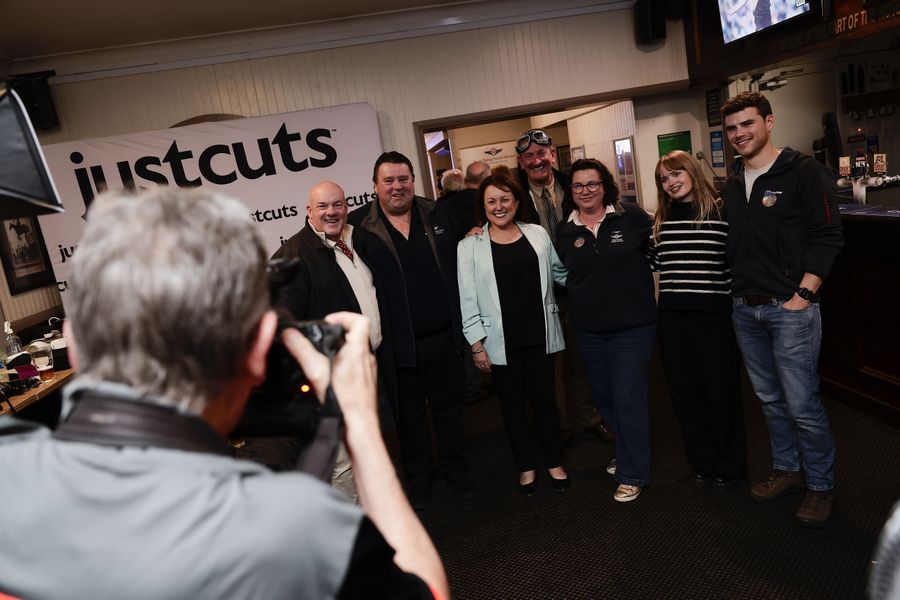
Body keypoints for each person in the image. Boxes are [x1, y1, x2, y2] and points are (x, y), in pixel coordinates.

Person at [0, 187, 448, 600]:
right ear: (256, 350)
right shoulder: (290, 529)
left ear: (73, 343)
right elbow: (427, 588)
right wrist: (360, 428)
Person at [721, 91, 843, 527]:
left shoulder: (804, 172)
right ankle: (788, 470)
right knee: (770, 400)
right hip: (745, 312)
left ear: (769, 122)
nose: (740, 134)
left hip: (789, 310)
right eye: (732, 128)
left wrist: (803, 296)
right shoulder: (733, 182)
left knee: (802, 404)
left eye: (747, 124)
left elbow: (828, 236)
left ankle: (821, 486)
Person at [349, 151, 473, 510]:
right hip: (398, 345)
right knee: (410, 417)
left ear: (413, 181)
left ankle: (455, 469)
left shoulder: (438, 213)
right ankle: (418, 477)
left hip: (445, 338)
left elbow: (466, 249)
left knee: (450, 411)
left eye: (403, 179)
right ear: (375, 186)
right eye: (388, 180)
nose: (397, 187)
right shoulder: (360, 227)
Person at [268, 180, 391, 502]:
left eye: (337, 204)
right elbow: (286, 329)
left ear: (347, 206)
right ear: (308, 211)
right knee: (342, 462)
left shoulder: (357, 239)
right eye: (323, 206)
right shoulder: (293, 256)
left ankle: (372, 513)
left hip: (364, 366)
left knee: (365, 449)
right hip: (331, 377)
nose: (331, 212)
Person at [457, 174, 569, 494]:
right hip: (499, 341)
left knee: (546, 402)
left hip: (541, 333)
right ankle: (525, 467)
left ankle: (554, 462)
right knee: (512, 406)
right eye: (491, 201)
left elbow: (559, 272)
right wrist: (476, 345)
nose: (499, 206)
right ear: (483, 207)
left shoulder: (537, 234)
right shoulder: (469, 246)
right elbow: (467, 298)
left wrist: (592, 278)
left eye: (505, 199)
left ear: (517, 203)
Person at [555, 158, 656, 503]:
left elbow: (658, 250)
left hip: (633, 327)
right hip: (590, 330)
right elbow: (560, 273)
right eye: (578, 185)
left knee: (628, 397)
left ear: (605, 186)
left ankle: (634, 472)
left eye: (592, 184)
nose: (586, 191)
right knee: (605, 398)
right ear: (571, 191)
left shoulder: (631, 217)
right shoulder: (564, 230)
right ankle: (628, 451)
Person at [650, 150, 747, 490]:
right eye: (664, 178)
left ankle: (731, 462)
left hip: (714, 316)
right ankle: (701, 460)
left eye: (675, 174)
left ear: (691, 172)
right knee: (685, 394)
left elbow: (735, 265)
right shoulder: (659, 222)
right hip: (673, 319)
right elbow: (654, 274)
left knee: (721, 391)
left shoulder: (721, 213)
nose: (670, 182)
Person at [515, 128, 612, 444]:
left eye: (541, 154)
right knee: (551, 366)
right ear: (521, 161)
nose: (536, 161)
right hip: (540, 294)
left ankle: (591, 418)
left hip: (580, 287)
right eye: (529, 156)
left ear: (552, 154)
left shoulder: (575, 184)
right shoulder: (513, 193)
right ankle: (562, 426)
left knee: (585, 359)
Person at [434, 160, 493, 407]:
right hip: (486, 276)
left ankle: (471, 386)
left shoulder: (438, 209)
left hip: (455, 280)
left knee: (467, 329)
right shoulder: (479, 203)